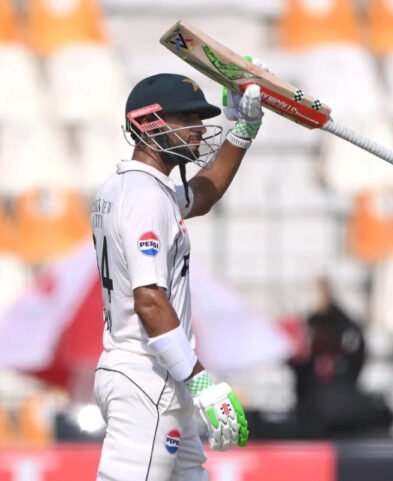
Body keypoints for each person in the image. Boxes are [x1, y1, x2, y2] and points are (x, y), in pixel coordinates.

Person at [91, 71, 265, 480]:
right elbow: (149, 300)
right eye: (187, 118)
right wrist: (200, 381)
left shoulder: (134, 188)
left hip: (158, 373)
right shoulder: (144, 198)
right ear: (150, 123)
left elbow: (204, 194)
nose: (200, 129)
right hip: (148, 376)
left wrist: (244, 129)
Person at [290, 279, 391, 439]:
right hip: (311, 435)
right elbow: (291, 350)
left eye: (327, 330)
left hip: (344, 434)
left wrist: (333, 306)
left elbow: (358, 335)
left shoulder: (347, 365)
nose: (322, 334)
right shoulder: (306, 366)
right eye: (318, 330)